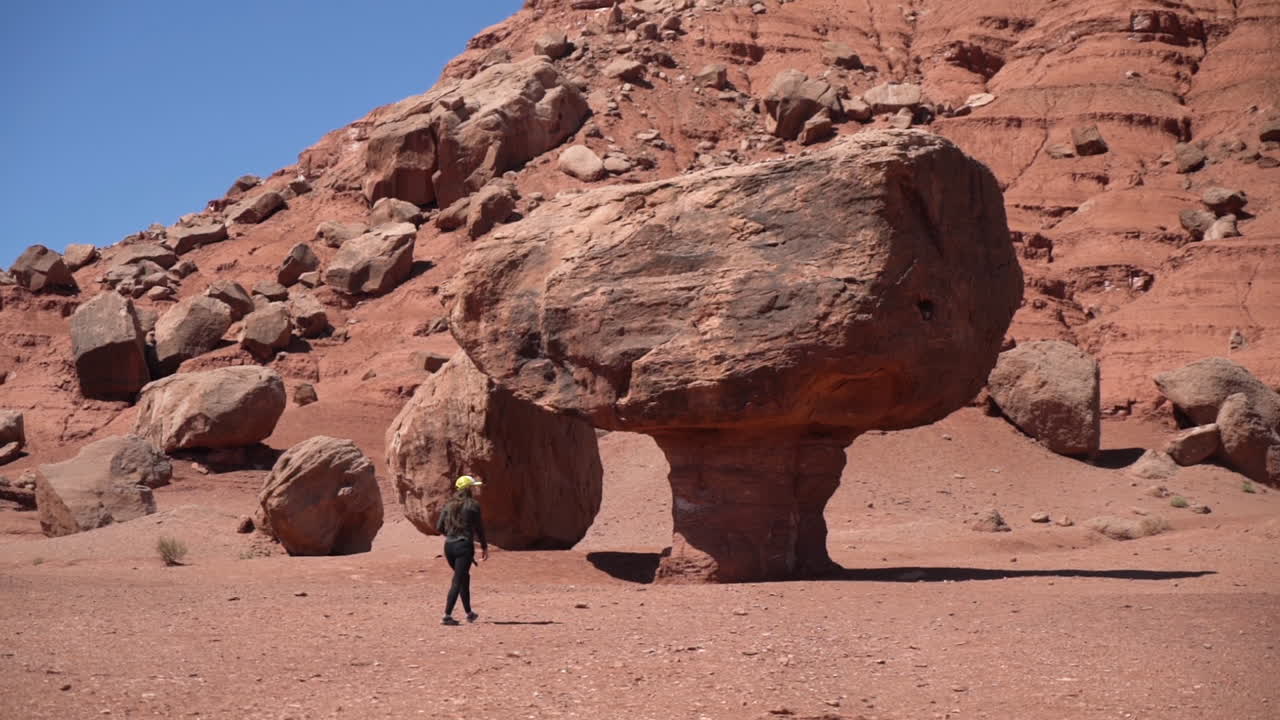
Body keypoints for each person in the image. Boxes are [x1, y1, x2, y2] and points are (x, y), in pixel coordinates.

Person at [436, 474, 488, 625]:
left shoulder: (448, 505)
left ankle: (469, 613)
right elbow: (479, 529)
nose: (475, 489)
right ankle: (447, 615)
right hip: (464, 546)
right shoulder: (473, 505)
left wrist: (452, 535)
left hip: (449, 547)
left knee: (464, 577)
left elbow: (439, 527)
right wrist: (484, 546)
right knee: (458, 580)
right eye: (473, 487)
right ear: (468, 489)